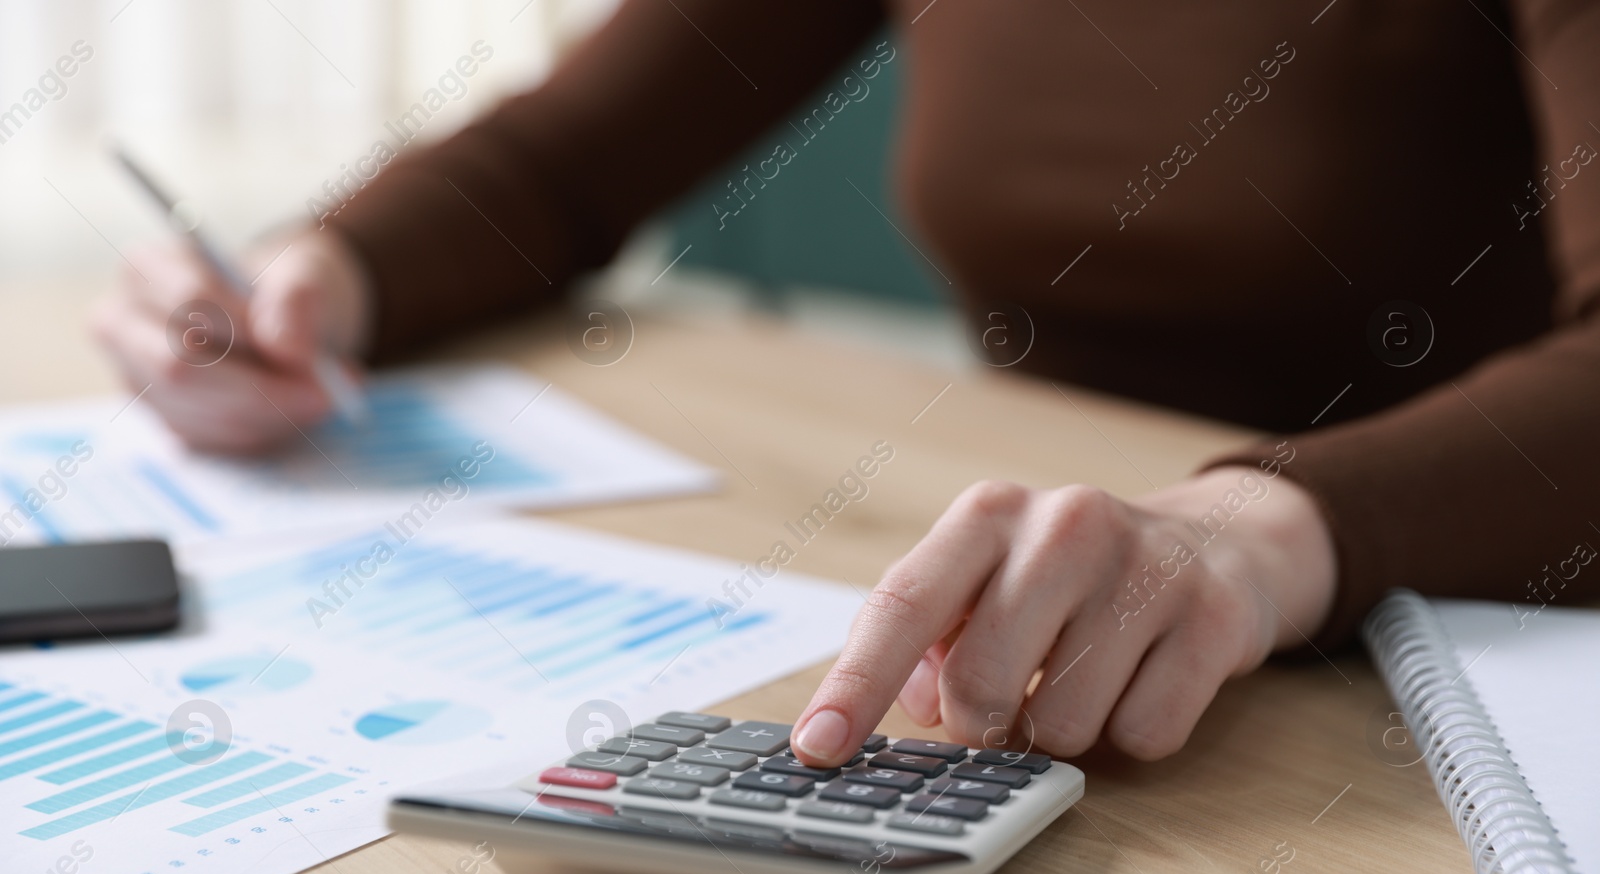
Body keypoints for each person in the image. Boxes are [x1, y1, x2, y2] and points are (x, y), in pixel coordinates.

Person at [91, 1, 1600, 768]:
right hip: (1063, 617)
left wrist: (1255, 536)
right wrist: (314, 281)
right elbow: (563, 161)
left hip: (1454, 650)